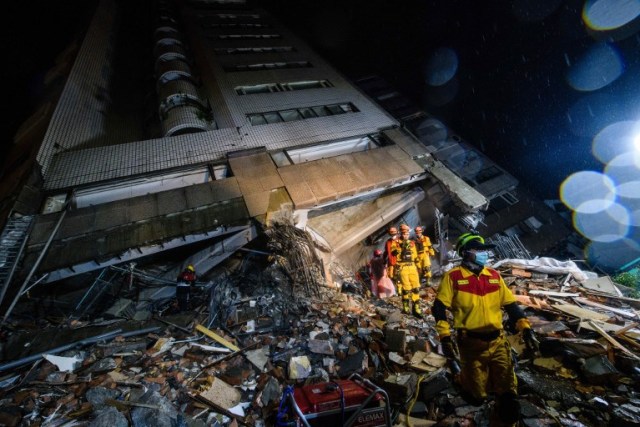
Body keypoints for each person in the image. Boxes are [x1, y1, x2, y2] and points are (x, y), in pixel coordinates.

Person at [432, 232, 539, 426]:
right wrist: (445, 337)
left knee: (508, 397)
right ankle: (459, 375)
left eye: (484, 250)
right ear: (465, 253)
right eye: (478, 250)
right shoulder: (454, 277)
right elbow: (439, 307)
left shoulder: (494, 276)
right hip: (470, 345)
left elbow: (511, 305)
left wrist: (525, 327)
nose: (483, 254)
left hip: (498, 342)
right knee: (476, 397)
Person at [391, 224, 423, 318]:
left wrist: (419, 267)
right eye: (404, 233)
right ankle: (406, 307)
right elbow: (393, 252)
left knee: (416, 288)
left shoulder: (412, 243)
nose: (406, 235)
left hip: (412, 266)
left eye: (407, 233)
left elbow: (416, 256)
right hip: (403, 266)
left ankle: (416, 308)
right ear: (401, 233)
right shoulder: (396, 242)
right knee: (406, 289)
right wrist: (401, 246)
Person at [383, 226, 401, 294]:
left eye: (394, 232)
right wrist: (384, 259)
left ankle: (399, 289)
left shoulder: (400, 240)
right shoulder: (388, 242)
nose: (392, 233)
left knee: (398, 275)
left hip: (398, 261)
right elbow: (386, 252)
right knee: (391, 276)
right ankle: (395, 288)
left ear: (397, 232)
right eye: (391, 232)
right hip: (391, 261)